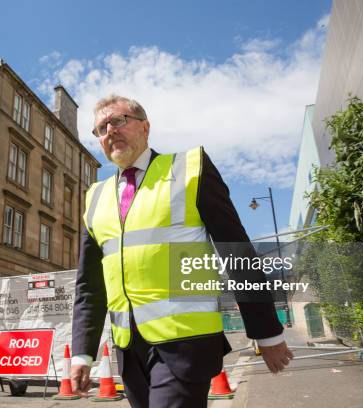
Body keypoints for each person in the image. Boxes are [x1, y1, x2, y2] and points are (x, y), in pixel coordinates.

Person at [71, 95, 293, 408]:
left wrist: (266, 332)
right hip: (129, 351)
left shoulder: (190, 168)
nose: (110, 131)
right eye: (101, 128)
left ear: (145, 127)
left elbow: (236, 250)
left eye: (118, 121)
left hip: (185, 344)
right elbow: (89, 285)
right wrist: (82, 352)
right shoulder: (95, 197)